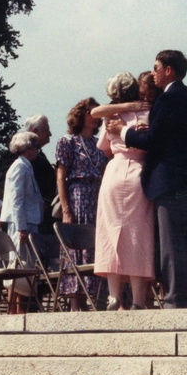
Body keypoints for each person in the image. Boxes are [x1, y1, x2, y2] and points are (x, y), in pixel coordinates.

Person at [109, 49, 187, 309]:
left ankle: (174, 299)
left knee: (171, 243)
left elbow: (154, 141)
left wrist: (123, 131)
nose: (153, 73)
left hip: (169, 180)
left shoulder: (167, 99)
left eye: (156, 67)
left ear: (168, 70)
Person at [92, 73, 154, 311]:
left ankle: (113, 296)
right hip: (138, 171)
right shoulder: (146, 112)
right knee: (139, 235)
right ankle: (138, 299)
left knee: (110, 232)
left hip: (114, 172)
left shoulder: (112, 115)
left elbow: (104, 148)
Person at [56, 97, 107, 306]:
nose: (94, 118)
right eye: (90, 113)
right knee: (77, 246)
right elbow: (60, 176)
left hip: (98, 194)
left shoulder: (99, 144)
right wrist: (66, 209)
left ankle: (96, 297)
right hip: (77, 193)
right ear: (81, 115)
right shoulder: (68, 142)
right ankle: (76, 302)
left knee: (96, 245)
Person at [0, 131, 43, 314]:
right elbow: (17, 200)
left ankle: (19, 310)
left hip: (29, 222)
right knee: (18, 266)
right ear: (28, 148)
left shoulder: (27, 167)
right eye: (35, 147)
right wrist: (21, 227)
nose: (37, 151)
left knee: (25, 267)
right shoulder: (19, 167)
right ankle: (13, 310)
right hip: (22, 225)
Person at [23, 115, 57, 220]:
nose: (50, 134)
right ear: (35, 131)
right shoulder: (22, 156)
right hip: (30, 217)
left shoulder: (40, 155)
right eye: (47, 130)